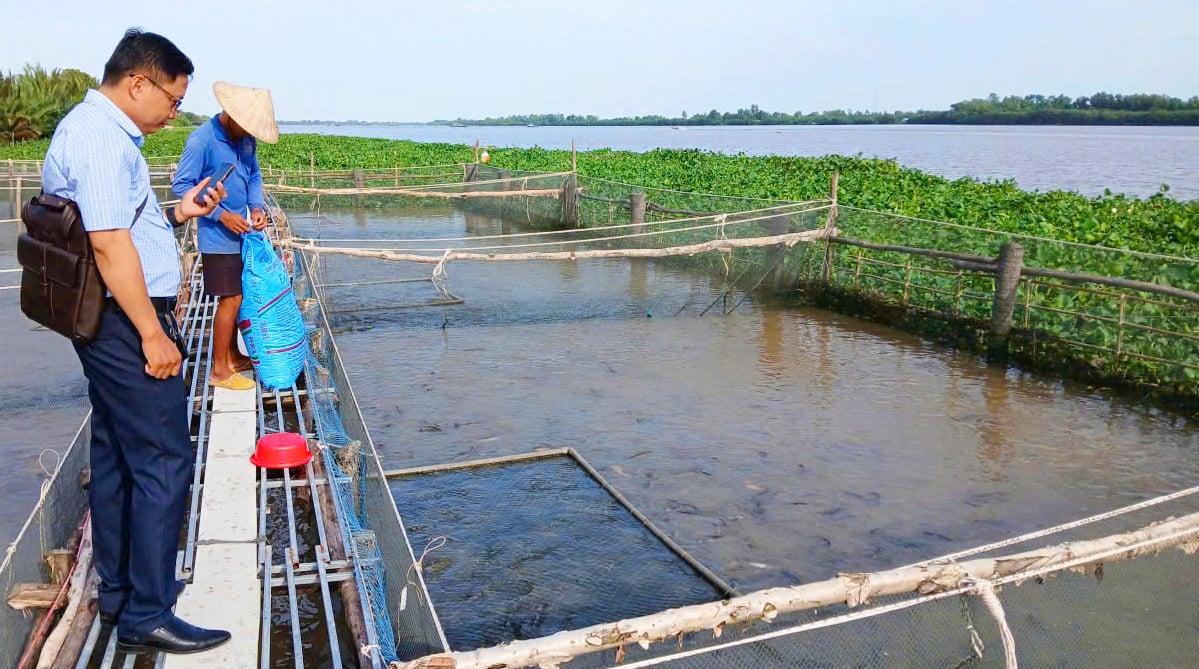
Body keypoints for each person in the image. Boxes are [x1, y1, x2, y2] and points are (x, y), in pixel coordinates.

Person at [41, 29, 232, 655]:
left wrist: (182, 213)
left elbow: (124, 220)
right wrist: (153, 334)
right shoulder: (98, 138)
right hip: (125, 318)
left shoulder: (102, 133)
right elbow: (107, 244)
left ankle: (122, 593)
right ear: (138, 83)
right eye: (173, 99)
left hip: (111, 314)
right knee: (164, 457)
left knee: (122, 456)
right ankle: (150, 612)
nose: (174, 112)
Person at [172, 81, 279, 390]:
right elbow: (182, 188)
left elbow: (254, 174)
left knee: (238, 296)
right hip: (217, 236)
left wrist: (256, 207)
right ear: (230, 115)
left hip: (241, 234)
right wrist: (222, 215)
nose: (248, 133)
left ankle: (232, 355)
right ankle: (219, 370)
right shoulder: (201, 141)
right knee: (231, 299)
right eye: (245, 126)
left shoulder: (244, 140)